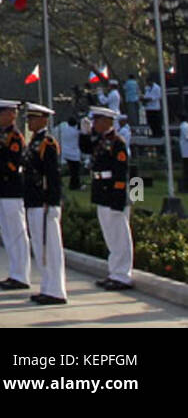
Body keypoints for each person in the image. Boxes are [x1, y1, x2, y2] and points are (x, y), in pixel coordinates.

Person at [80, 106, 134, 291]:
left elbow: (121, 173)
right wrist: (84, 134)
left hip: (113, 194)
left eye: (97, 121)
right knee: (111, 237)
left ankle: (123, 275)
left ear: (107, 122)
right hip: (102, 192)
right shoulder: (101, 141)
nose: (94, 124)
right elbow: (85, 148)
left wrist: (118, 199)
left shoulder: (117, 142)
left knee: (120, 237)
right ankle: (114, 272)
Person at [23, 103, 67, 305]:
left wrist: (53, 202)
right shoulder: (34, 142)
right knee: (40, 247)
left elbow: (53, 176)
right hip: (34, 200)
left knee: (50, 247)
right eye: (29, 118)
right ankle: (47, 286)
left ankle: (57, 290)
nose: (29, 122)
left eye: (33, 118)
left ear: (43, 120)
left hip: (44, 202)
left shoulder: (47, 144)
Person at [0, 99, 30, 290]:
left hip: (12, 189)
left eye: (1, 113)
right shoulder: (2, 136)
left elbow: (13, 165)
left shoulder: (14, 137)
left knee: (17, 233)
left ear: (12, 115)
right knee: (8, 233)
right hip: (2, 189)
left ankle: (21, 275)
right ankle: (15, 272)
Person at [58, 115, 83, 190]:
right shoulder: (76, 132)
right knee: (75, 172)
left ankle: (70, 184)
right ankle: (75, 185)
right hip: (74, 154)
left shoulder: (64, 129)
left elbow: (61, 124)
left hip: (65, 152)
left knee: (71, 170)